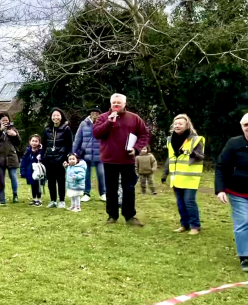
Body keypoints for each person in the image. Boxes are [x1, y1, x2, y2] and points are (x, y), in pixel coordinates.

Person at [92, 93, 150, 226]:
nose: (116, 105)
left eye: (119, 103)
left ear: (124, 104)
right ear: (110, 104)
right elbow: (96, 133)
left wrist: (136, 149)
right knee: (111, 189)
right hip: (109, 159)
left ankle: (130, 216)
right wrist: (109, 123)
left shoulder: (134, 118)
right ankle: (112, 216)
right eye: (114, 103)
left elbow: (144, 134)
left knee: (128, 188)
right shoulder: (103, 118)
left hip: (127, 160)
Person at [215, 113, 248, 271]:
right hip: (237, 191)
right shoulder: (234, 143)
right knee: (243, 221)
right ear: (242, 127)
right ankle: (245, 257)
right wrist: (220, 189)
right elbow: (221, 167)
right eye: (245, 125)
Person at [163, 114, 205, 235]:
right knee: (180, 202)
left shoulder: (195, 139)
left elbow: (201, 157)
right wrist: (165, 174)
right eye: (175, 123)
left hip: (190, 178)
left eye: (180, 123)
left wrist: (190, 153)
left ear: (187, 125)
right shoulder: (170, 140)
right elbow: (170, 158)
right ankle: (184, 225)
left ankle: (195, 226)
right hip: (176, 178)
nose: (177, 125)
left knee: (189, 201)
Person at [0, 112, 21, 203]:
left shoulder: (13, 129)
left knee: (13, 176)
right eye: (3, 120)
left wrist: (15, 135)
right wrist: (0, 130)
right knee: (0, 177)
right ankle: (1, 195)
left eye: (6, 120)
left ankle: (15, 195)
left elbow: (19, 142)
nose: (5, 122)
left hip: (12, 156)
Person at [41, 108, 73, 208]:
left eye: (58, 115)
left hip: (61, 158)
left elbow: (69, 144)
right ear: (51, 117)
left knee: (61, 180)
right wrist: (43, 156)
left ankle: (62, 200)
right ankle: (53, 200)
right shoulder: (47, 129)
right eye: (54, 115)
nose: (56, 117)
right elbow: (44, 144)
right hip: (49, 158)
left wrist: (67, 158)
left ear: (61, 116)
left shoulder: (66, 129)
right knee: (51, 180)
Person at [73, 107, 106, 202]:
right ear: (90, 113)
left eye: (97, 113)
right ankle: (86, 193)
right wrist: (74, 152)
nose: (95, 114)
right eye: (93, 112)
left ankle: (103, 193)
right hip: (85, 154)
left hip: (100, 154)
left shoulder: (103, 124)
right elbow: (77, 138)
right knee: (86, 175)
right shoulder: (83, 124)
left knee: (101, 174)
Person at [20, 134, 45, 206]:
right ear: (30, 142)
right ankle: (34, 199)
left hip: (39, 171)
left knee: (38, 185)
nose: (34, 143)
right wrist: (23, 171)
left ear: (39, 142)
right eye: (32, 141)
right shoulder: (27, 151)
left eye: (36, 141)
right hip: (30, 171)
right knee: (33, 185)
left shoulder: (41, 151)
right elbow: (24, 162)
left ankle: (39, 199)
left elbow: (44, 160)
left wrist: (40, 155)